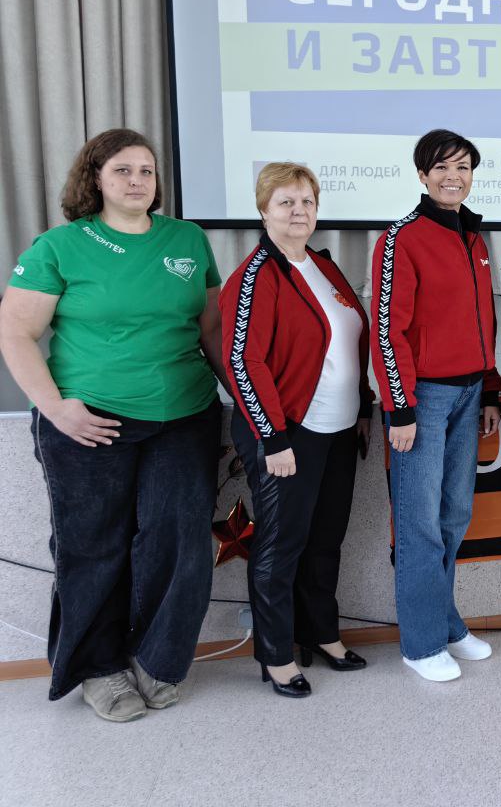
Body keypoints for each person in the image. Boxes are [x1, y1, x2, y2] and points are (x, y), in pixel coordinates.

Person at [0, 129, 224, 722]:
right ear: (95, 179)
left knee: (180, 543)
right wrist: (56, 409)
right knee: (93, 547)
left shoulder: (188, 239)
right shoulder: (60, 246)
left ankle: (156, 660)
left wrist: (250, 405)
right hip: (89, 420)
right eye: (122, 170)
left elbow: (210, 330)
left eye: (146, 170)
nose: (136, 181)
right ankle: (98, 669)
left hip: (185, 415)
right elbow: (15, 331)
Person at [221, 162, 375, 697]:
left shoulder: (323, 266)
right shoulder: (255, 276)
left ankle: (321, 633)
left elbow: (349, 345)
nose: (298, 211)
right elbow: (244, 363)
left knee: (326, 540)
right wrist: (273, 438)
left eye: (307, 201)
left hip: (338, 428)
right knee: (281, 545)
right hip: (287, 433)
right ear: (263, 210)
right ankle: (277, 654)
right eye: (286, 201)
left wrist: (363, 409)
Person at [372, 129, 501, 683]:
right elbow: (387, 329)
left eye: (463, 167)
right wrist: (400, 406)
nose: (454, 177)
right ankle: (421, 644)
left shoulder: (474, 237)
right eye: (442, 167)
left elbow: (483, 318)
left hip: (469, 394)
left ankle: (445, 622)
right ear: (423, 175)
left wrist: (490, 385)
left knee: (454, 516)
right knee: (420, 523)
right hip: (422, 398)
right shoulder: (400, 238)